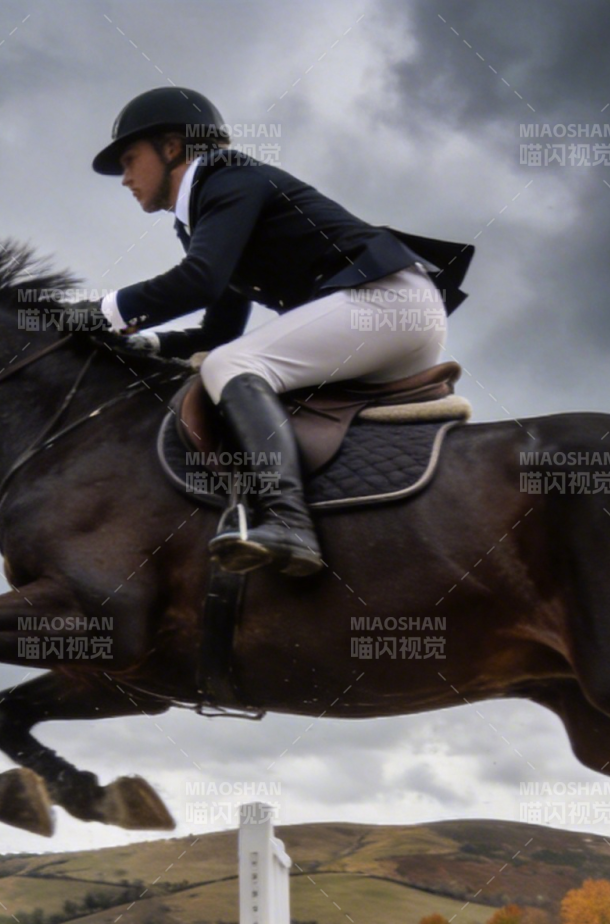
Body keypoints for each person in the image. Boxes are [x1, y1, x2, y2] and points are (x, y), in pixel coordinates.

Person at [87, 87, 473, 577]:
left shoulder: (227, 179)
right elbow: (220, 330)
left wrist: (95, 313)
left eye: (128, 159)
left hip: (386, 303)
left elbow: (198, 282)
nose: (124, 179)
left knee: (232, 367)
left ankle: (288, 520)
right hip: (391, 317)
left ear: (170, 147)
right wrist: (148, 343)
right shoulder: (209, 207)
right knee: (230, 360)